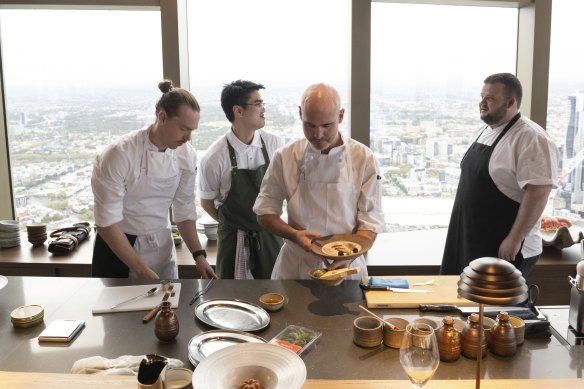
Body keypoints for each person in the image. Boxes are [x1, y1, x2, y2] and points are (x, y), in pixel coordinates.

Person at [253, 83, 385, 279]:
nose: (318, 134)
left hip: (347, 267)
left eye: (326, 125)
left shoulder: (363, 157)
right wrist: (294, 235)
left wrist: (349, 255)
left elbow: (370, 220)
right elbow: (265, 213)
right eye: (310, 125)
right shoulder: (285, 156)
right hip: (296, 266)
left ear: (340, 116)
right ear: (300, 114)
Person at [91, 80, 216, 279]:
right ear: (162, 117)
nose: (188, 138)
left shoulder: (186, 155)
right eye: (184, 129)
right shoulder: (119, 154)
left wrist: (198, 255)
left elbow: (183, 208)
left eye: (192, 130)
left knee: (167, 307)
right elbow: (106, 222)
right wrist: (140, 269)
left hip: (161, 244)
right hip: (119, 248)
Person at [440, 73, 560, 277]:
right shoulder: (484, 130)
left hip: (502, 246)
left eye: (490, 99)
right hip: (469, 238)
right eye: (482, 97)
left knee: (496, 308)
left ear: (511, 102)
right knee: (463, 304)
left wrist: (514, 239)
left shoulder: (532, 138)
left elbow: (539, 193)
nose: (482, 103)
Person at [198, 80, 284, 279]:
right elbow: (206, 202)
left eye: (263, 104)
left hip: (270, 237)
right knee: (233, 300)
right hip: (233, 241)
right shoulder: (214, 157)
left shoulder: (274, 144)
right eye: (258, 104)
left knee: (276, 294)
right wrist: (233, 224)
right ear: (238, 110)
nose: (263, 109)